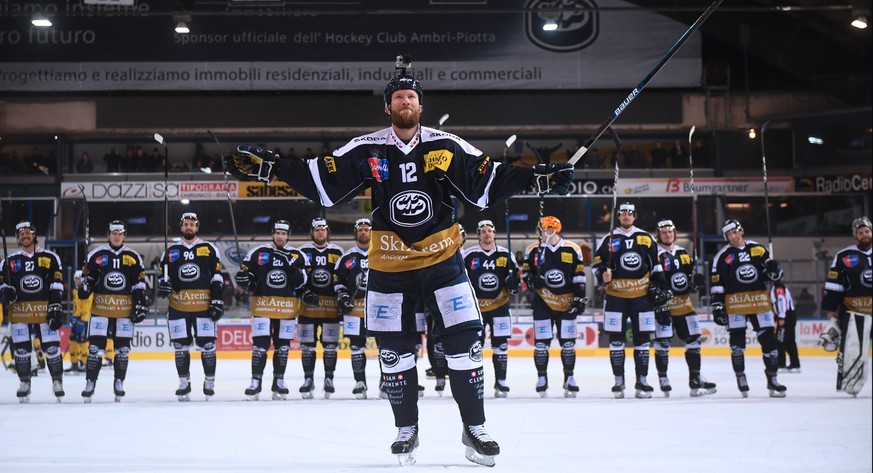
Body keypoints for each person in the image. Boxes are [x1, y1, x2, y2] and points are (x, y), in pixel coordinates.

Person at [223, 55, 573, 467]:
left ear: (420, 105)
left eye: (411, 96)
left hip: (442, 261)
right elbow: (322, 178)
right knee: (394, 353)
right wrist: (272, 168)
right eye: (398, 97)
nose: (405, 101)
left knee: (464, 345)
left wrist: (537, 176)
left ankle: (474, 427)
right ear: (387, 107)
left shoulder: (445, 145)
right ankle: (407, 427)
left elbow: (488, 179)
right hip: (389, 264)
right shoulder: (368, 147)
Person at [593, 203, 671, 399]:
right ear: (618, 217)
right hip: (616, 297)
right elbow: (596, 264)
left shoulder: (645, 237)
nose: (626, 216)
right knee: (616, 341)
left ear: (635, 216)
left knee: (643, 341)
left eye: (629, 213)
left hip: (641, 297)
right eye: (622, 214)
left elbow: (656, 266)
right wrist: (603, 273)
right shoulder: (608, 239)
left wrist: (661, 287)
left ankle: (642, 381)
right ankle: (619, 381)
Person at [710, 219, 787, 398]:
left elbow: (773, 277)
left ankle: (772, 378)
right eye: (729, 235)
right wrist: (717, 305)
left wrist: (774, 270)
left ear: (741, 231)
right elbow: (717, 283)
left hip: (759, 301)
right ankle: (741, 376)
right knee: (737, 345)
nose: (733, 237)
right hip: (735, 303)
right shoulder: (722, 256)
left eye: (735, 232)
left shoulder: (758, 250)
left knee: (770, 343)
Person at [156, 212, 225, 401]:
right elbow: (163, 277)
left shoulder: (209, 249)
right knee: (180, 347)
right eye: (186, 224)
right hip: (178, 306)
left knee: (208, 346)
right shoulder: (170, 251)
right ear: (181, 227)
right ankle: (183, 383)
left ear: (197, 227)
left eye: (192, 224)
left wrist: (217, 300)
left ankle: (209, 381)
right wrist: (163, 286)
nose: (189, 227)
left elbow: (217, 277)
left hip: (203, 305)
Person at [236, 219, 307, 401]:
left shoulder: (298, 255)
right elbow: (249, 281)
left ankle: (279, 381)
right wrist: (244, 280)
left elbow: (301, 283)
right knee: (260, 346)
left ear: (288, 236)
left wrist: (290, 264)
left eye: (284, 234)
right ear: (272, 234)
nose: (280, 237)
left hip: (286, 308)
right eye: (277, 233)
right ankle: (255, 382)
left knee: (283, 347)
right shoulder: (258, 253)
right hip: (263, 305)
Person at [78, 221, 148, 402]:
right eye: (113, 233)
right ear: (108, 235)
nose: (117, 236)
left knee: (122, 350)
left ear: (124, 235)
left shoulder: (132, 256)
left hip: (124, 309)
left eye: (120, 233)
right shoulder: (96, 254)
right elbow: (90, 279)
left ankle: (119, 382)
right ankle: (90, 383)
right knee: (95, 349)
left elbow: (139, 283)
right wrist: (85, 288)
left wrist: (140, 302)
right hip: (101, 307)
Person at [0, 221, 66, 403]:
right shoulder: (10, 261)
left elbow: (57, 283)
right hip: (20, 310)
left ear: (34, 235)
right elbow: (1, 284)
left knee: (52, 347)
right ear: (18, 237)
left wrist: (56, 305)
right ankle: (24, 382)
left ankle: (57, 381)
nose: (25, 235)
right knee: (21, 349)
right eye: (21, 233)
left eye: (28, 232)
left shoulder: (51, 258)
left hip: (44, 309)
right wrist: (5, 291)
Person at [520, 216, 586, 398]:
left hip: (566, 303)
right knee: (541, 345)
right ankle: (542, 378)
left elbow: (579, 275)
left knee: (568, 344)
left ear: (552, 229)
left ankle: (569, 378)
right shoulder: (532, 250)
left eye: (541, 229)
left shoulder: (573, 249)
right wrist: (534, 281)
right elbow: (525, 275)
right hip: (543, 304)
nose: (538, 232)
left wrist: (580, 298)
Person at [653, 219, 717, 397]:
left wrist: (696, 283)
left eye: (670, 231)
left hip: (684, 305)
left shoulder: (683, 253)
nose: (668, 234)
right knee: (663, 343)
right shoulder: (653, 253)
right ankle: (663, 378)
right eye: (664, 232)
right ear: (659, 235)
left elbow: (689, 279)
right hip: (663, 306)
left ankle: (695, 378)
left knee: (694, 340)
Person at [463, 220, 521, 398]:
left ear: (495, 234)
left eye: (490, 230)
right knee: (474, 347)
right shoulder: (469, 255)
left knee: (501, 345)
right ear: (478, 235)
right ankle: (475, 381)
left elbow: (516, 281)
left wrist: (514, 285)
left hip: (500, 306)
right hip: (476, 308)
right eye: (483, 231)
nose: (487, 234)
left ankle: (501, 382)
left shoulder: (505, 254)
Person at [819, 216, 872, 397]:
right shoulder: (844, 256)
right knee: (853, 349)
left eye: (867, 231)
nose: (864, 235)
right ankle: (851, 383)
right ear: (855, 235)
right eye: (860, 232)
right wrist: (831, 310)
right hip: (853, 311)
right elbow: (834, 284)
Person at [297, 218, 345, 399]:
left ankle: (329, 379)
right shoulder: (303, 252)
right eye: (317, 229)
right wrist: (303, 291)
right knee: (307, 347)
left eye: (323, 229)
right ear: (312, 232)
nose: (320, 232)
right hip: (307, 308)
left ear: (327, 232)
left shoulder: (337, 252)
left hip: (330, 308)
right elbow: (296, 278)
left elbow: (342, 278)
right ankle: (308, 379)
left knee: (330, 346)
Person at [334, 218, 373, 399]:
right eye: (360, 229)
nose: (364, 232)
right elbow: (338, 281)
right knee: (356, 347)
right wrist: (342, 296)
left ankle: (385, 382)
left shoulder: (381, 253)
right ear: (356, 233)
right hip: (354, 309)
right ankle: (360, 382)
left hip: (378, 308)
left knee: (386, 346)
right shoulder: (347, 258)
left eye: (367, 229)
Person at [769, 280, 800, 372]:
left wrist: (782, 317)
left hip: (786, 316)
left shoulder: (778, 288)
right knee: (790, 340)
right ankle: (795, 364)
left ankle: (781, 364)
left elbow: (781, 300)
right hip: (788, 315)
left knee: (780, 340)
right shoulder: (778, 287)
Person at [66, 270, 92, 373]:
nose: (76, 281)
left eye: (78, 278)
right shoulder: (75, 291)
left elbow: (87, 307)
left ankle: (85, 363)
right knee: (73, 340)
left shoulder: (87, 291)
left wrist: (83, 320)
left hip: (83, 320)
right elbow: (76, 307)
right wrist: (73, 317)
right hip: (76, 319)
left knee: (83, 342)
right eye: (75, 279)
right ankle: (74, 362)